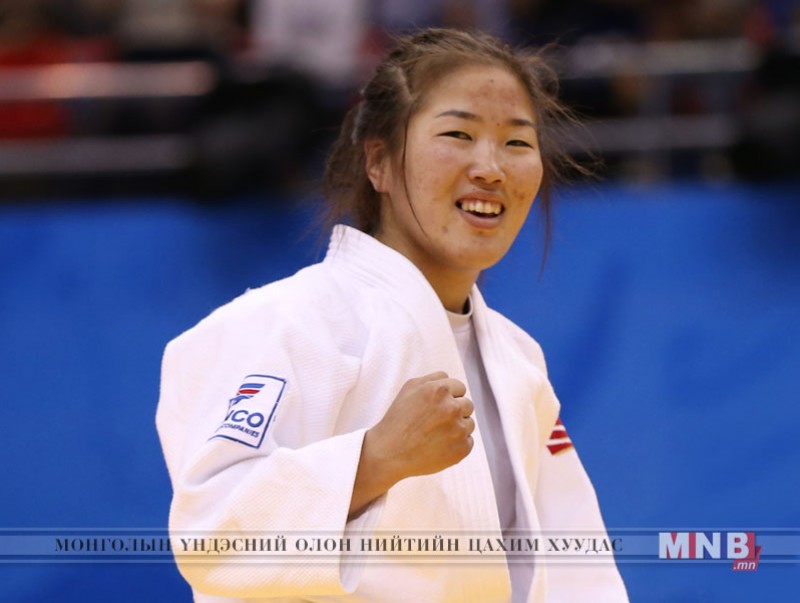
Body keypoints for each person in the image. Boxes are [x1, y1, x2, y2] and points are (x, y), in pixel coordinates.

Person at [157, 28, 628, 602]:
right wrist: (374, 459)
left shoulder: (519, 360)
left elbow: (578, 570)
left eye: (516, 142)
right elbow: (211, 535)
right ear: (378, 162)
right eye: (458, 134)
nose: (491, 168)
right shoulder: (283, 323)